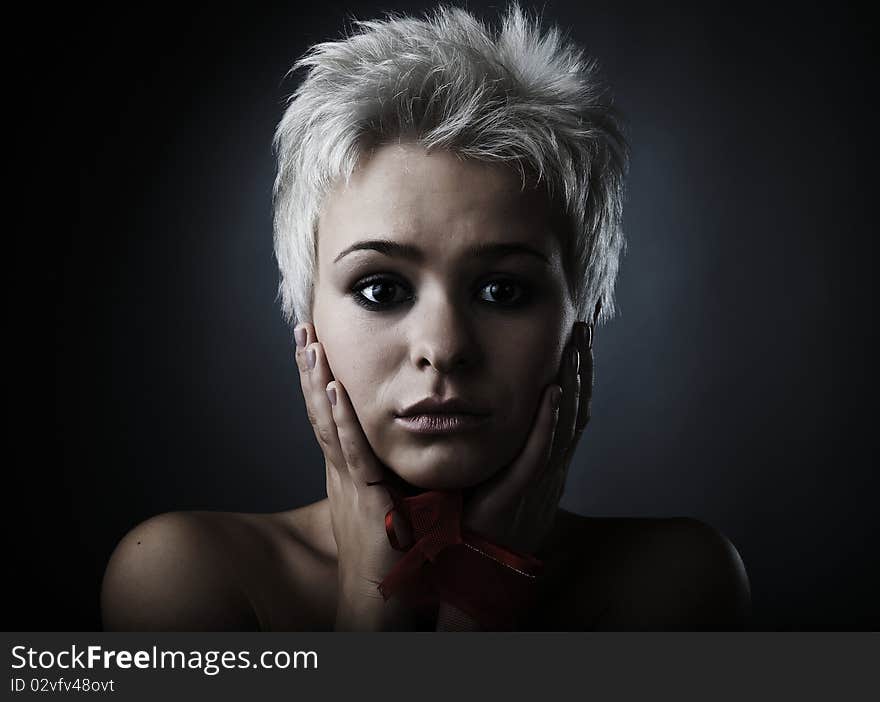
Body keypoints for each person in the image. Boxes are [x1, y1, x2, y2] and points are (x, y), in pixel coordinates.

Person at [101, 2, 751, 631]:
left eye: (502, 291)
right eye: (382, 290)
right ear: (306, 315)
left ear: (587, 316)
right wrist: (369, 602)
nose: (442, 348)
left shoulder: (674, 584)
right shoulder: (185, 578)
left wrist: (481, 595)